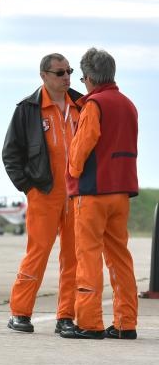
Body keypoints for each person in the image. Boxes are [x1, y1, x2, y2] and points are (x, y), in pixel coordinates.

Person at [61, 48, 139, 340]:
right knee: (120, 257)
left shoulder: (94, 105)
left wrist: (72, 173)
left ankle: (90, 322)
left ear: (90, 77)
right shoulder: (128, 104)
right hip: (121, 192)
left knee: (88, 256)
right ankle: (125, 323)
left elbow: (81, 148)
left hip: (93, 193)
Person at [2, 53, 83, 334]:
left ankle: (66, 317)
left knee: (74, 256)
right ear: (44, 75)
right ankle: (20, 313)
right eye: (60, 73)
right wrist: (28, 186)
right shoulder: (27, 108)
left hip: (76, 194)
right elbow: (11, 153)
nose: (67, 77)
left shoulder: (82, 105)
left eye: (69, 71)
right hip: (44, 193)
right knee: (38, 253)